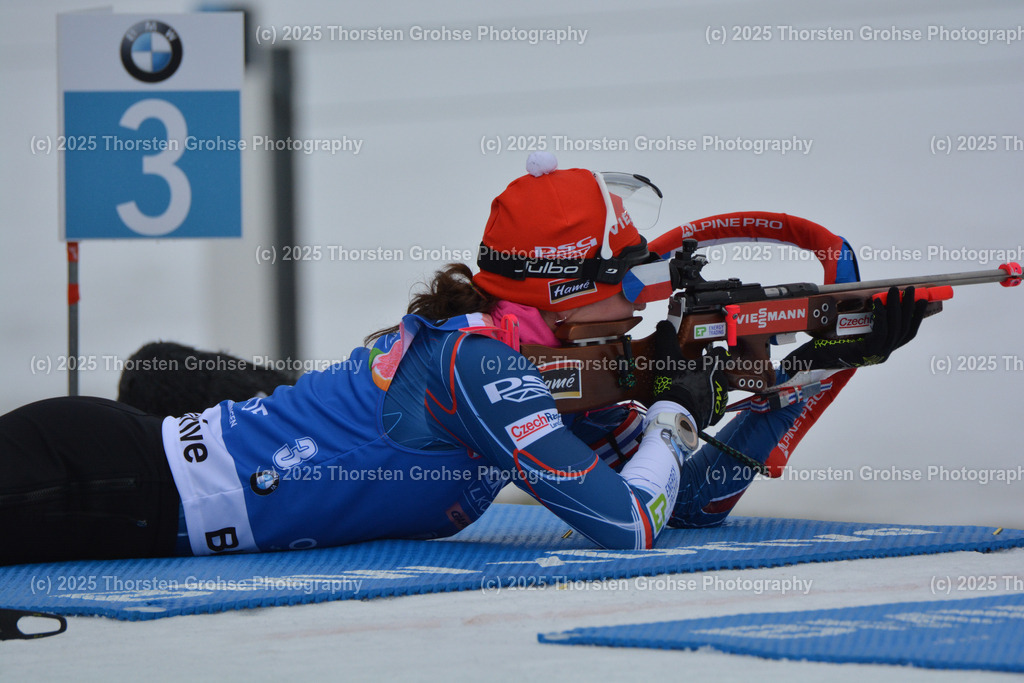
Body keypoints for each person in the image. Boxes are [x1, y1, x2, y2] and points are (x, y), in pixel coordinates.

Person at [0, 154, 926, 565]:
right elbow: (628, 527)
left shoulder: (547, 364)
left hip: (163, 475)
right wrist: (677, 410)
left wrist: (817, 369)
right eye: (625, 279)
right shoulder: (483, 367)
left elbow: (691, 503)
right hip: (112, 481)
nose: (639, 296)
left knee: (167, 374)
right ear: (562, 290)